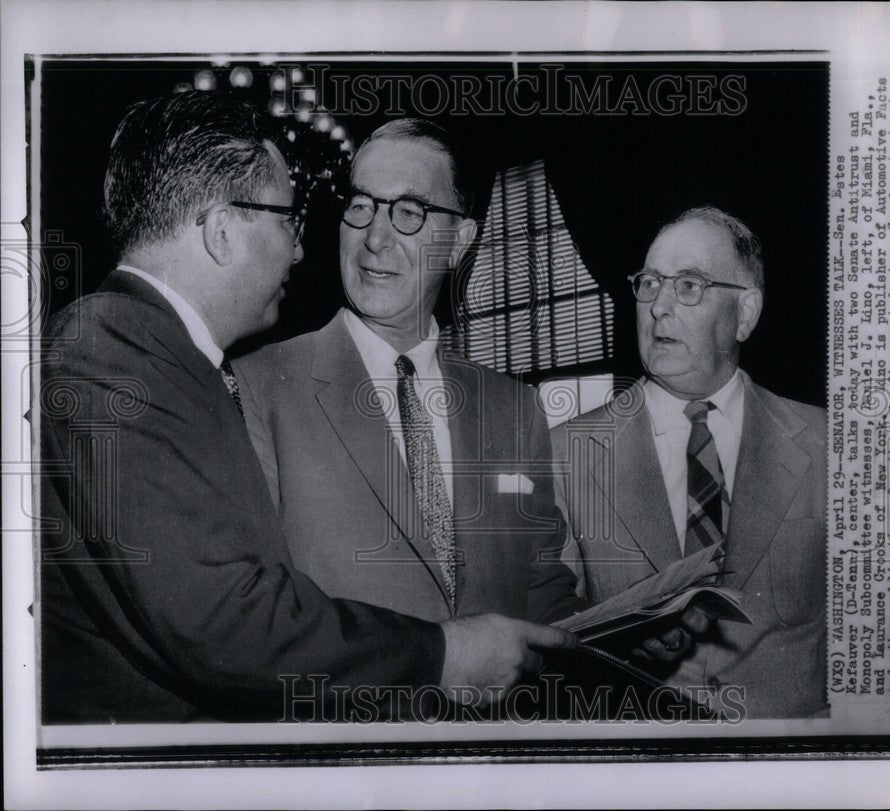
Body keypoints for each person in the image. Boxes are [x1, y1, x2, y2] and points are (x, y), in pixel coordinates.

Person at [39, 94, 575, 724]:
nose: (373, 236)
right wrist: (447, 655)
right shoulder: (219, 376)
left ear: (459, 239)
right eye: (358, 206)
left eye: (408, 211)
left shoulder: (514, 407)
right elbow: (230, 619)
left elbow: (545, 592)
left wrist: (603, 647)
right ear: (219, 232)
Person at [552, 206, 827, 719]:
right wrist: (616, 635)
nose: (659, 307)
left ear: (745, 313)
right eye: (650, 283)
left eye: (690, 286)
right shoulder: (565, 451)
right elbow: (542, 622)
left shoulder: (830, 443)